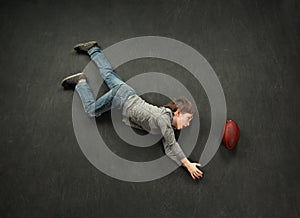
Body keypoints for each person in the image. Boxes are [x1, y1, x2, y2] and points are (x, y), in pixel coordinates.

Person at [61, 41, 203, 180]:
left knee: (108, 74)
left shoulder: (166, 125)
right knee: (92, 110)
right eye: (188, 119)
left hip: (126, 93)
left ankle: (93, 49)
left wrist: (185, 165)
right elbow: (173, 144)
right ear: (178, 112)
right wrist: (188, 164)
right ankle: (81, 82)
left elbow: (169, 149)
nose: (188, 124)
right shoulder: (163, 119)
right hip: (121, 98)